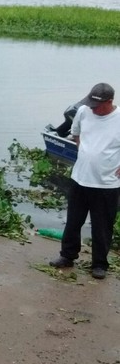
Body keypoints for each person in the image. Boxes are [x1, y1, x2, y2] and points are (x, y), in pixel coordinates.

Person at [49, 82, 120, 279]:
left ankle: (99, 264)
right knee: (73, 221)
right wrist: (87, 154)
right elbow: (77, 134)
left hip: (106, 184)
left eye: (97, 106)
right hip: (80, 179)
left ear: (109, 102)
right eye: (91, 104)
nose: (93, 109)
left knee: (102, 226)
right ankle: (67, 256)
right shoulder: (83, 111)